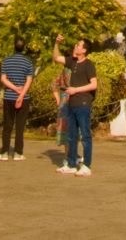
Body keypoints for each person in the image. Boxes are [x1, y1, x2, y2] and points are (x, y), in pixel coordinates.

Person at [52, 35, 97, 176]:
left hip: (83, 103)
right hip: (71, 104)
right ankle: (71, 164)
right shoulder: (73, 62)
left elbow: (94, 84)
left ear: (84, 50)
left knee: (85, 135)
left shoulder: (89, 65)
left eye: (79, 45)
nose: (76, 46)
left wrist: (76, 90)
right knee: (71, 136)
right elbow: (56, 58)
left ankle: (86, 166)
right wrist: (56, 43)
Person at [0, 41, 35, 161]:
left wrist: (14, 89)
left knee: (7, 125)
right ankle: (18, 152)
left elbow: (3, 79)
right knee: (20, 126)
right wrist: (21, 94)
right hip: (24, 97)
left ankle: (4, 152)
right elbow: (28, 81)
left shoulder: (6, 61)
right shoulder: (28, 62)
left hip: (9, 96)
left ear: (14, 47)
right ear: (24, 48)